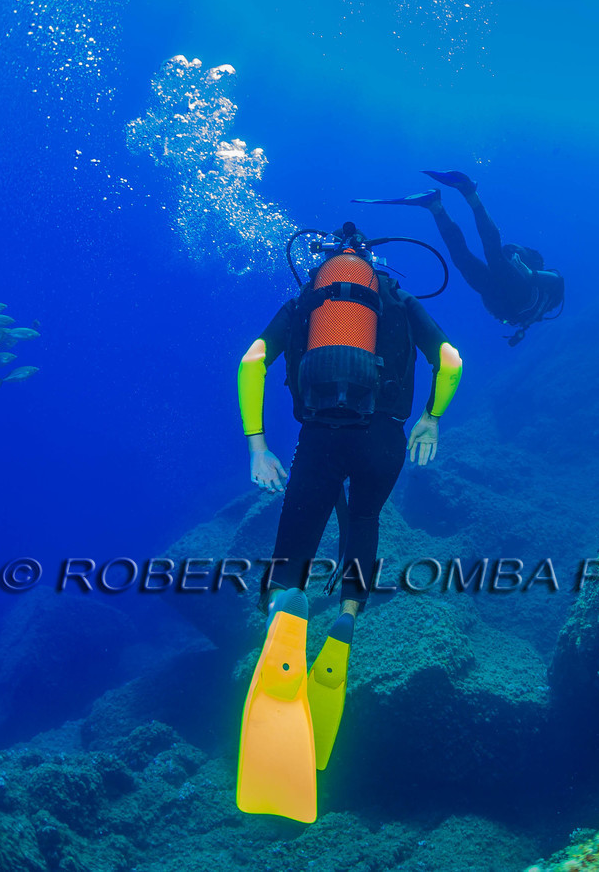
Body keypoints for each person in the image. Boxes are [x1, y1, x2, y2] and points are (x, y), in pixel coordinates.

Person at [233, 222, 462, 823]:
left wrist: (257, 445)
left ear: (324, 259)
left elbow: (253, 359)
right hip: (384, 439)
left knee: (295, 548)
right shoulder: (399, 300)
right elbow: (451, 360)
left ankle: (287, 614)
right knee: (363, 516)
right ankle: (349, 618)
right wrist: (430, 421)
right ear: (375, 262)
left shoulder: (307, 300)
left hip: (320, 439)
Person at [355, 170, 564, 345]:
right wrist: (531, 275)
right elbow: (557, 280)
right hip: (519, 293)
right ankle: (469, 193)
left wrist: (529, 275)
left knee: (464, 261)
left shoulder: (532, 309)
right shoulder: (544, 298)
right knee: (493, 255)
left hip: (498, 294)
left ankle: (435, 206)